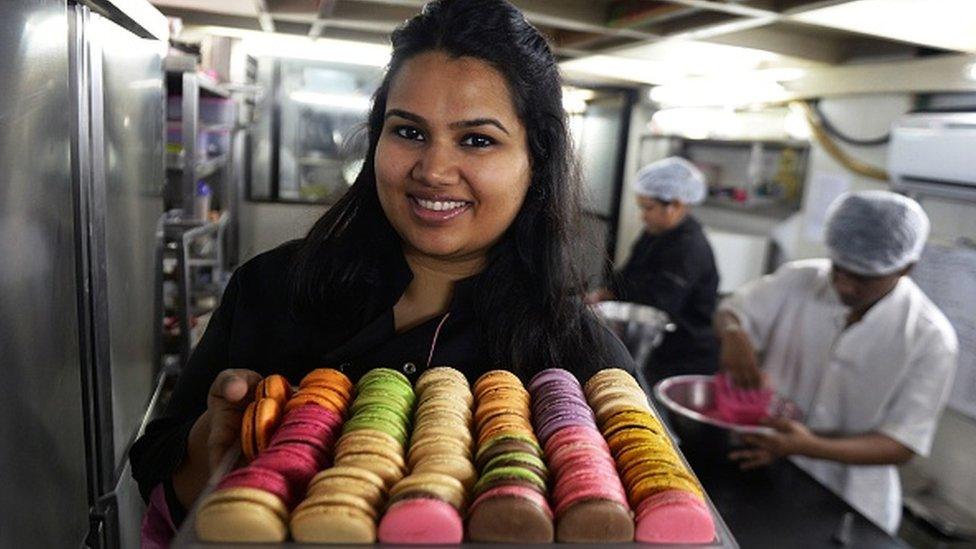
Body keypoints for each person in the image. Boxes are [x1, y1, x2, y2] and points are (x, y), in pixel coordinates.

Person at [129, 0, 635, 540]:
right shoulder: (272, 288)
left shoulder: (576, 355)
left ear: (536, 161)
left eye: (477, 139)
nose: (433, 170)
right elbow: (157, 472)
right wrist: (215, 449)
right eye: (409, 132)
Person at [716, 190, 958, 533]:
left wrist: (808, 446)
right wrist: (732, 332)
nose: (844, 284)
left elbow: (902, 443)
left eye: (862, 277)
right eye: (839, 268)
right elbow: (732, 311)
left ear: (906, 267)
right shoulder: (798, 280)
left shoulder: (929, 339)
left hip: (851, 502)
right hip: (762, 469)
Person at [587, 157, 720, 384]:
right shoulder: (655, 232)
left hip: (682, 356)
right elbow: (629, 274)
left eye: (648, 208)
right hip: (655, 349)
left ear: (676, 205)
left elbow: (659, 302)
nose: (642, 215)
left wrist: (609, 302)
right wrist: (603, 293)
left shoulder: (689, 248)